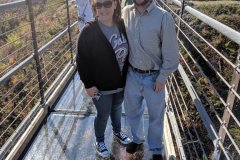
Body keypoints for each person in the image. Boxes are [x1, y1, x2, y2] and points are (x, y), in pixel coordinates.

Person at [122, 0, 179, 159]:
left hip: (154, 77)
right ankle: (137, 139)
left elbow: (172, 54)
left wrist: (162, 78)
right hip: (132, 75)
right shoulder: (126, 12)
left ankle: (155, 149)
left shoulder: (163, 17)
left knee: (156, 115)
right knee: (132, 112)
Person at [76, 0, 131, 158]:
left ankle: (117, 132)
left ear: (115, 4)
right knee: (103, 113)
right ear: (94, 8)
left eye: (107, 3)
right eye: (98, 5)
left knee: (117, 109)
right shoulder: (88, 31)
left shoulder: (122, 24)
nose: (103, 8)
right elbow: (81, 60)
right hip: (100, 86)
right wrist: (88, 85)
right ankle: (99, 140)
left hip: (120, 82)